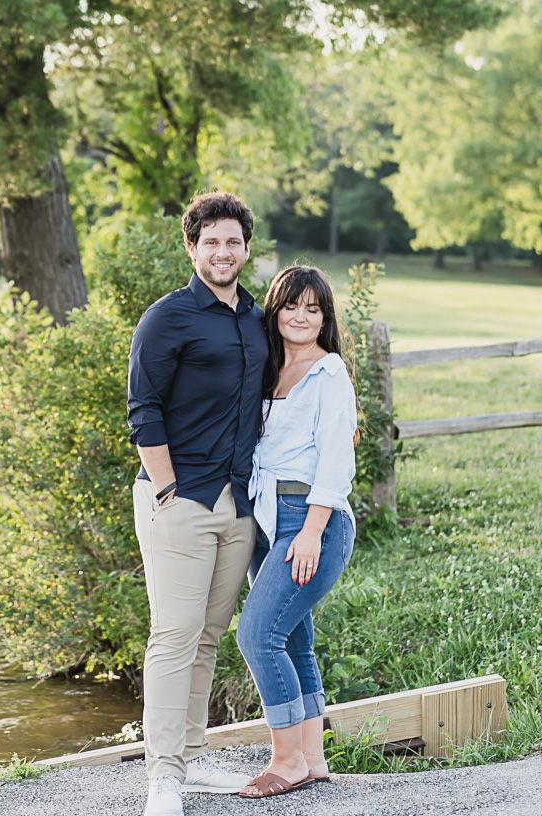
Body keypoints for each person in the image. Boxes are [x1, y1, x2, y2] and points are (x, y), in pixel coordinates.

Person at [127, 192, 268, 816]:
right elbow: (143, 408)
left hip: (238, 503)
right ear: (192, 247)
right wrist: (164, 489)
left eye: (233, 241)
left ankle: (191, 751)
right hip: (180, 499)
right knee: (174, 635)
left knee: (209, 635)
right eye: (210, 241)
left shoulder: (255, 319)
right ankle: (163, 777)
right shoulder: (168, 318)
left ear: (245, 248)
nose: (222, 251)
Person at [235, 265, 358, 798]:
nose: (302, 317)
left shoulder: (328, 373)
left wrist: (311, 531)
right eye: (292, 306)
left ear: (325, 317)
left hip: (309, 519)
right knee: (295, 641)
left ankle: (283, 762)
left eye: (314, 308)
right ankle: (311, 757)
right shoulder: (269, 370)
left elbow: (336, 459)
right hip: (267, 519)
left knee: (257, 636)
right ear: (275, 310)